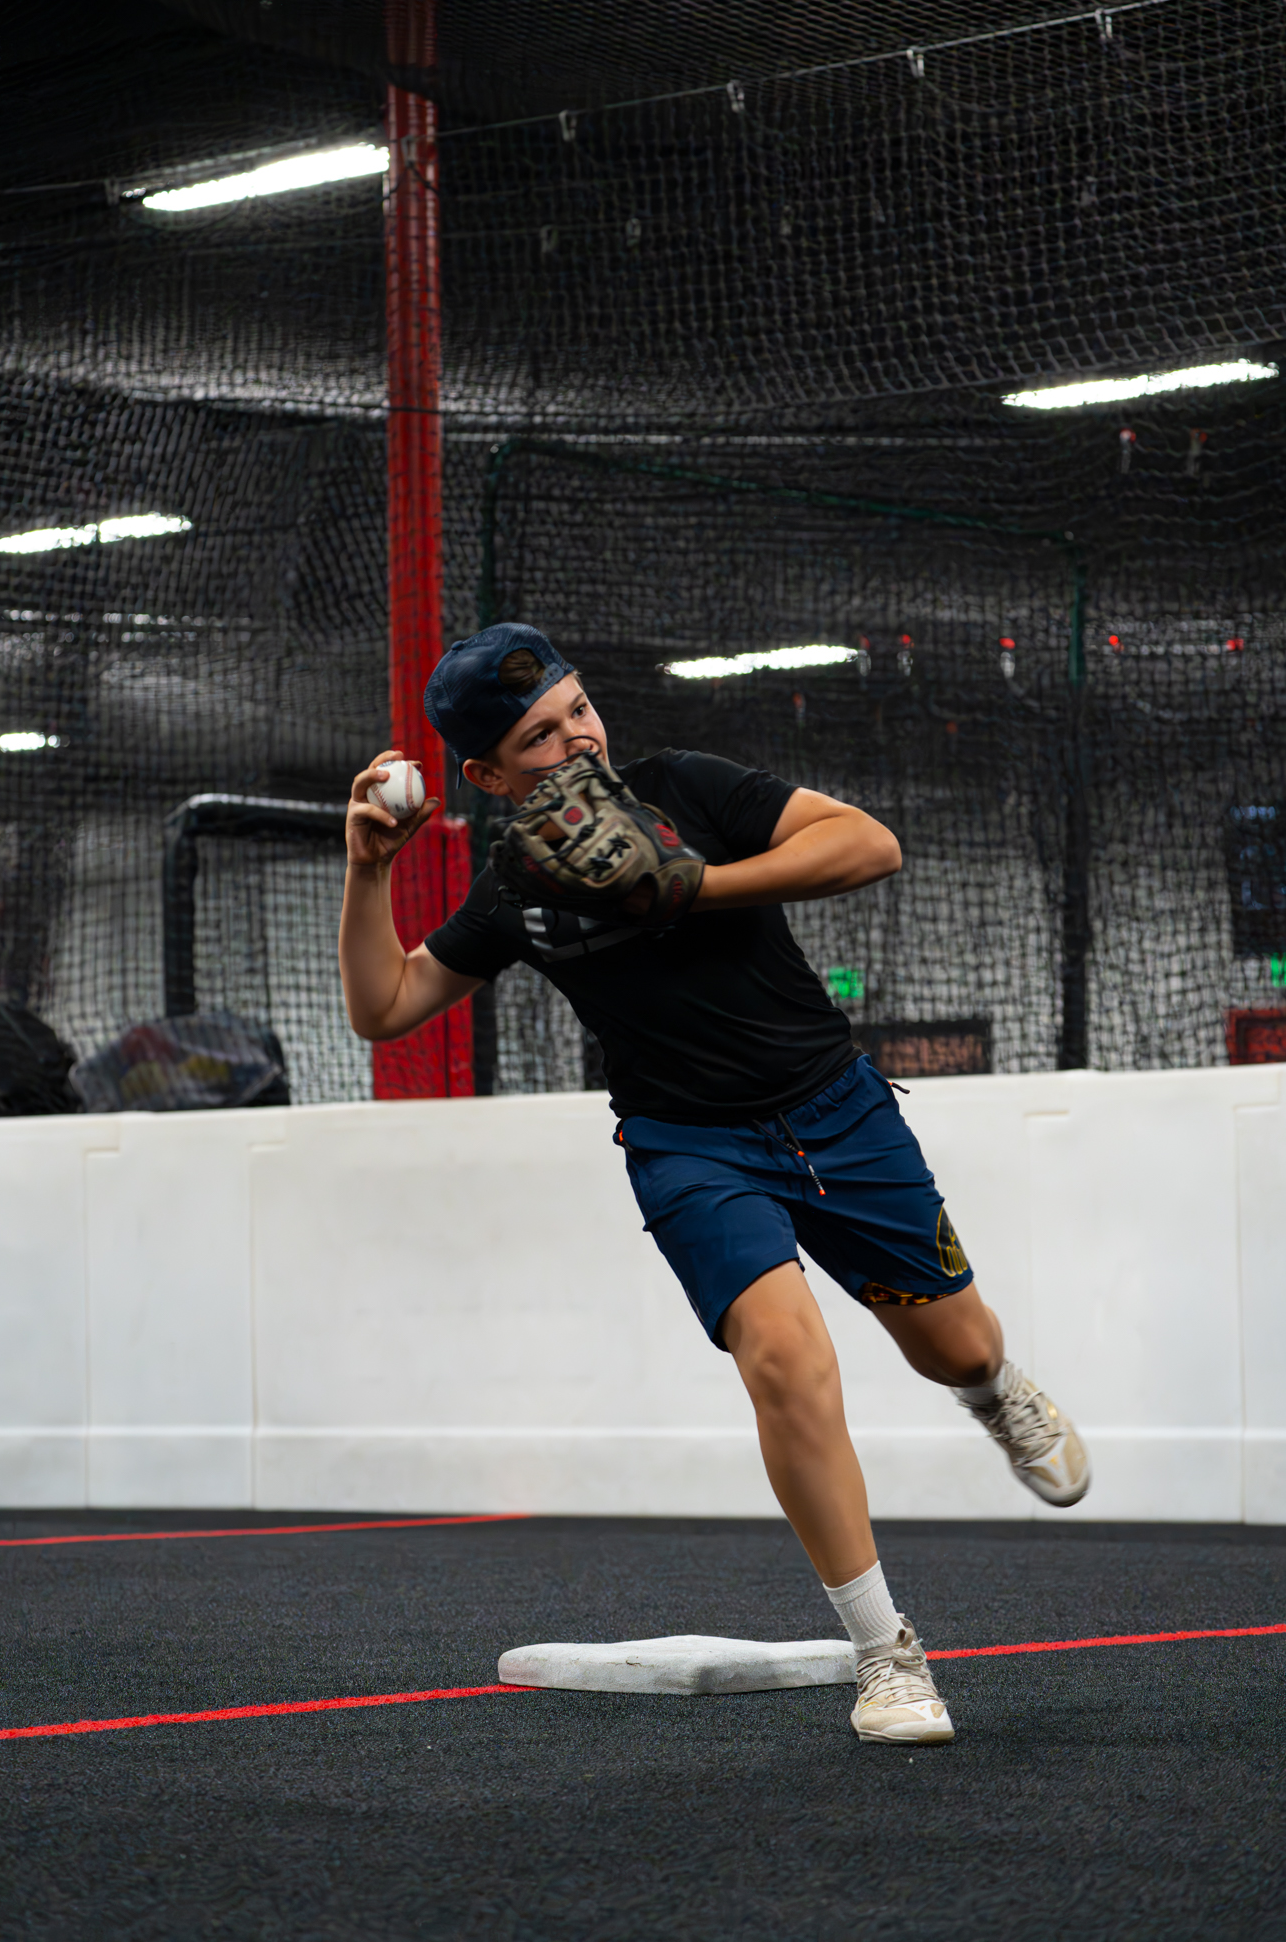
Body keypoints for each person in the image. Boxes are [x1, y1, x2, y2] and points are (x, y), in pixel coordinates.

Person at [340, 622, 1090, 1747]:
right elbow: (385, 1005)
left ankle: (995, 1391)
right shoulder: (515, 889)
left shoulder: (684, 787)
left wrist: (690, 885)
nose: (576, 738)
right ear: (487, 777)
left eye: (579, 709)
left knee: (957, 1345)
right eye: (537, 737)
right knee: (785, 1353)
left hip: (836, 1108)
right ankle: (887, 1653)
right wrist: (369, 869)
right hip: (689, 1143)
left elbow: (870, 845)